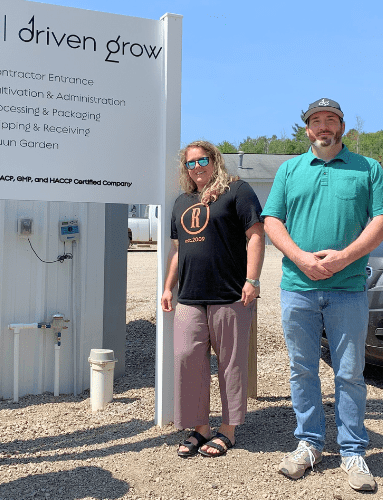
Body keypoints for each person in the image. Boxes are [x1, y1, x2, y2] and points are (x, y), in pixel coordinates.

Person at [262, 99, 383, 491]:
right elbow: (272, 220)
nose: (323, 126)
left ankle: (353, 451)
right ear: (307, 129)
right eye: (316, 121)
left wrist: (344, 258)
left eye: (330, 120)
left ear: (341, 126)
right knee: (302, 369)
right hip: (298, 289)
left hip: (347, 288)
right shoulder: (289, 170)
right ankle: (309, 444)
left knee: (350, 373)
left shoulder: (367, 169)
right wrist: (302, 258)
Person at [161, 140, 265, 459]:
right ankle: (200, 427)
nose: (196, 168)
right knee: (187, 360)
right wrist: (168, 287)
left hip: (229, 295)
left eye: (202, 160)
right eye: (190, 163)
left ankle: (228, 430)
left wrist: (252, 279)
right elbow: (178, 250)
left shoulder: (237, 191)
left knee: (231, 364)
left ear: (214, 160)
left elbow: (256, 235)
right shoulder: (181, 202)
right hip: (189, 297)